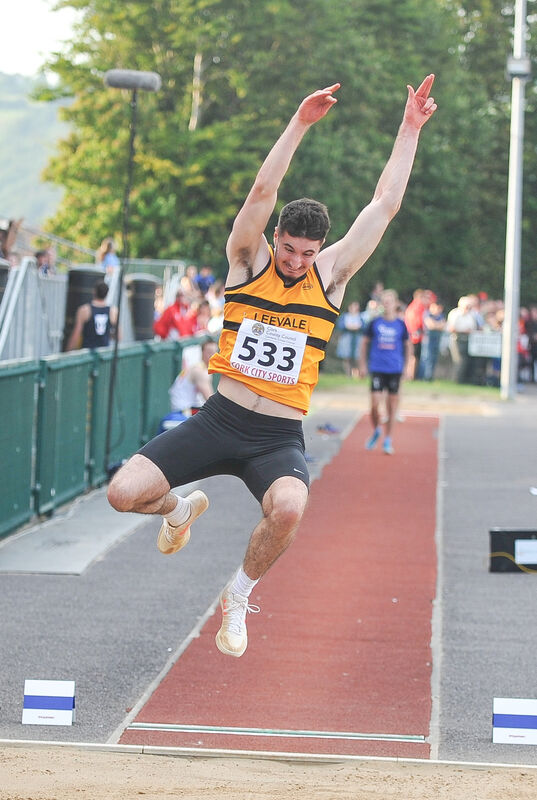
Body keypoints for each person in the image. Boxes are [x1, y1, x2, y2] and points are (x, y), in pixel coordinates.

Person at [107, 76, 437, 657]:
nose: (295, 261)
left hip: (275, 435)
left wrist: (408, 130)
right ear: (276, 237)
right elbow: (263, 188)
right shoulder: (246, 260)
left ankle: (239, 595)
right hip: (218, 420)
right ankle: (181, 509)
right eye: (289, 248)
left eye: (306, 254)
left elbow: (384, 205)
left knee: (289, 507)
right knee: (122, 493)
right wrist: (300, 123)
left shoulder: (330, 277)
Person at [359, 289, 411, 455]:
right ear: (382, 304)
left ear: (396, 304)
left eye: (390, 301)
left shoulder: (401, 324)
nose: (387, 304)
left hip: (394, 368)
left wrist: (407, 366)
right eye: (385, 301)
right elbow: (364, 343)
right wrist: (362, 364)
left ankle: (388, 439)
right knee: (374, 404)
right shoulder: (375, 323)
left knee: (391, 407)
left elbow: (408, 345)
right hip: (377, 367)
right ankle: (376, 430)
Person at [66, 280, 118, 350]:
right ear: (107, 293)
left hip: (88, 354)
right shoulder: (113, 311)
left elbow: (76, 334)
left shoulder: (84, 310)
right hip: (104, 355)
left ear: (94, 291)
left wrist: (68, 351)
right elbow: (119, 336)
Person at [336, 301, 364, 377]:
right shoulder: (345, 316)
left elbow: (363, 327)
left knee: (357, 357)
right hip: (346, 338)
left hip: (357, 338)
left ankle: (357, 374)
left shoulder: (360, 316)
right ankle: (348, 374)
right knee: (346, 357)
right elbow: (341, 326)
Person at [419, 298, 446, 381]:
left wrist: (436, 325)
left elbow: (443, 326)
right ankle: (423, 377)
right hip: (428, 339)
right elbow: (431, 325)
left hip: (436, 339)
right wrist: (438, 325)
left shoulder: (441, 316)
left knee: (434, 358)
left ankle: (430, 377)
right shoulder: (427, 314)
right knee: (426, 358)